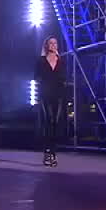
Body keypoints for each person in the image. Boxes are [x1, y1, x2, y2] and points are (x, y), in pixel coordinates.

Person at [35, 37, 66, 167]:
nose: (53, 45)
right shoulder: (41, 61)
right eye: (51, 43)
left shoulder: (61, 61)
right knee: (48, 120)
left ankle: (53, 152)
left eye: (55, 43)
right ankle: (47, 152)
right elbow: (36, 76)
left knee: (55, 123)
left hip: (58, 95)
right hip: (45, 94)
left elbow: (64, 78)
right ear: (47, 46)